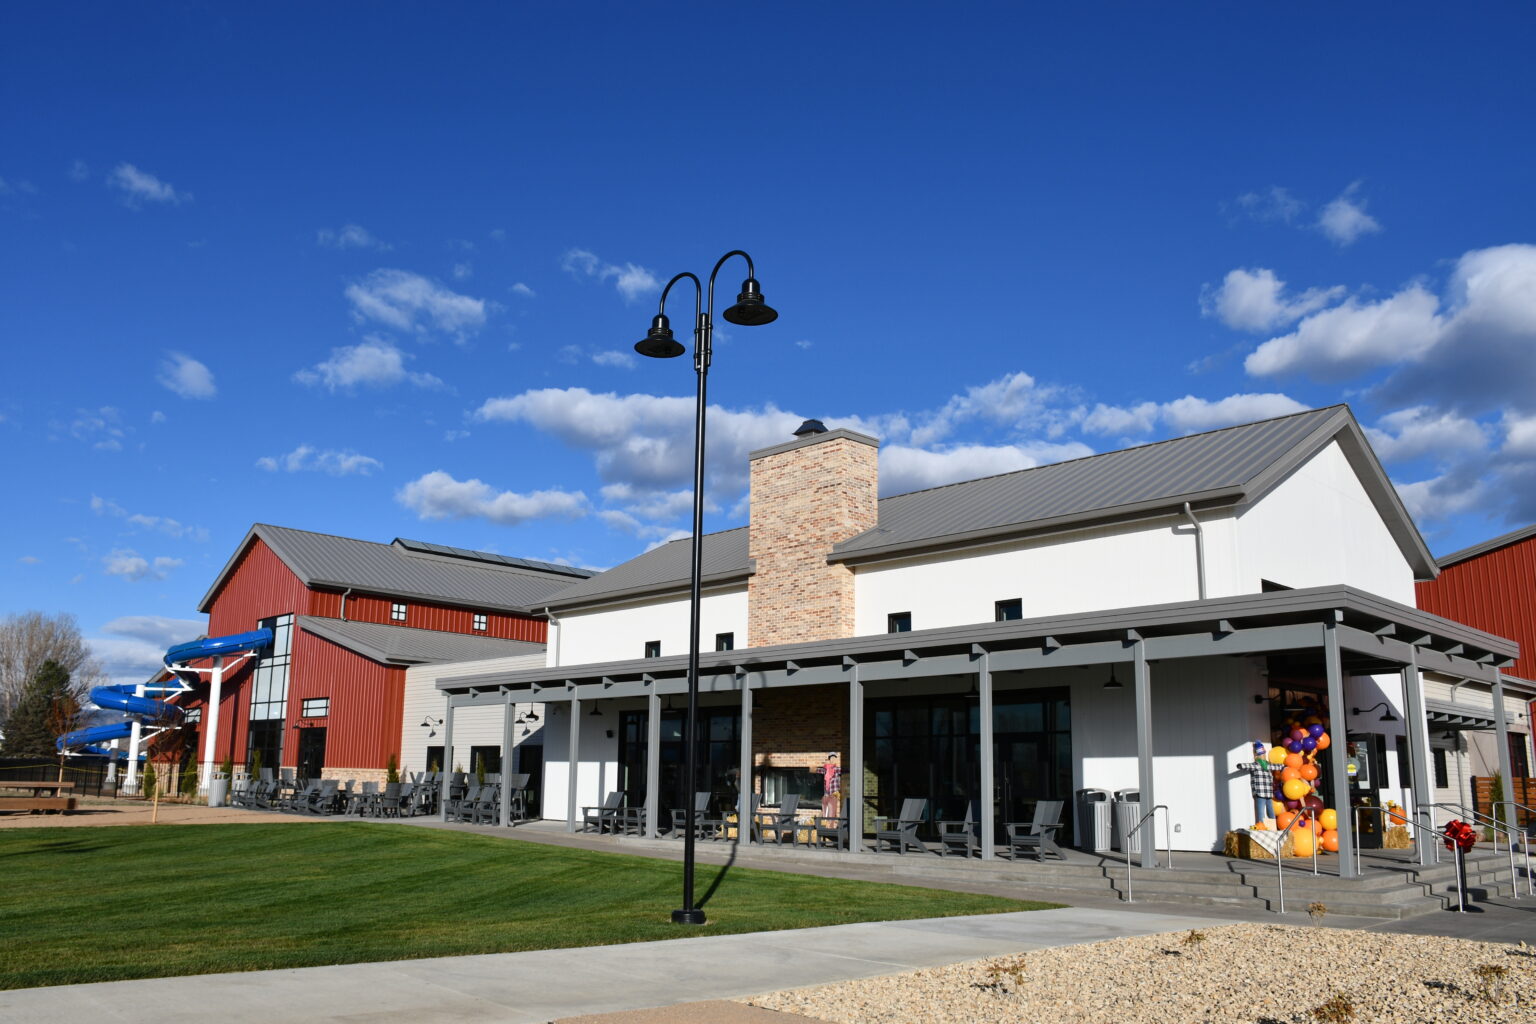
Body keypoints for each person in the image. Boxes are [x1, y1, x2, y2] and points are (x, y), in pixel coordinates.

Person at [1234, 741, 1277, 828]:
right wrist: (1240, 765)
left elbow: (1276, 766)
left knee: (1266, 812)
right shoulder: (1261, 765)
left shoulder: (1264, 765)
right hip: (1263, 793)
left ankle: (1268, 828)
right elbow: (1246, 766)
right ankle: (1265, 827)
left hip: (1265, 793)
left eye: (1263, 754)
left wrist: (1283, 767)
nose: (1263, 756)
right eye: (1262, 754)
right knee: (1264, 812)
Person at [818, 753, 841, 819]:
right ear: (829, 760)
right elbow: (817, 770)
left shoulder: (837, 769)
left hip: (834, 792)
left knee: (832, 809)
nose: (833, 760)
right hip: (826, 792)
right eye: (831, 758)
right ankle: (825, 820)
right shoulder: (825, 769)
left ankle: (830, 821)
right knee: (825, 808)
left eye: (834, 758)